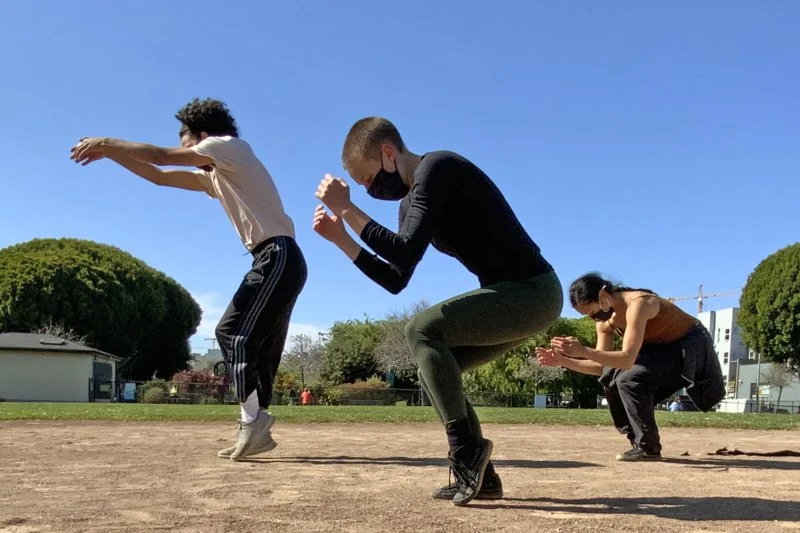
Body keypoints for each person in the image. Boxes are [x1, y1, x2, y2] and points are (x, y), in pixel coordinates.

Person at [312, 117, 562, 506]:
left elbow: (403, 250)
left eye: (368, 178)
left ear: (388, 153)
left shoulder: (438, 167)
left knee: (421, 330)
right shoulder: (409, 205)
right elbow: (396, 277)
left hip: (534, 291)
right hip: (510, 297)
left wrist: (347, 209)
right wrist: (343, 240)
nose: (370, 189)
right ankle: (483, 477)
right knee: (433, 371)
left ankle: (466, 452)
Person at [70, 98, 307, 461]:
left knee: (232, 332)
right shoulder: (220, 175)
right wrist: (112, 155)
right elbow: (159, 176)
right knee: (256, 345)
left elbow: (161, 157)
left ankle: (253, 422)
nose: (189, 154)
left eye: (188, 145)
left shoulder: (228, 147)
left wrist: (106, 141)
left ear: (203, 135)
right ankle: (253, 424)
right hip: (278, 258)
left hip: (278, 255)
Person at [535, 273, 725, 461]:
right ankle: (638, 439)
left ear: (603, 294)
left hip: (689, 343)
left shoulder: (639, 303)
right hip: (659, 349)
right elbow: (602, 366)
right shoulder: (604, 322)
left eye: (592, 312)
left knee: (630, 378)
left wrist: (583, 350)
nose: (593, 317)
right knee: (611, 375)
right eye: (587, 316)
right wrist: (564, 361)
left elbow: (626, 359)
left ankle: (648, 447)